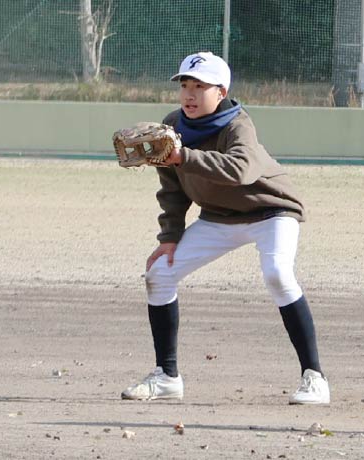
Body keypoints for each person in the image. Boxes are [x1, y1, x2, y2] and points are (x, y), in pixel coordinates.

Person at [120, 51, 330, 405]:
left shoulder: (237, 124)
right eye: (185, 85)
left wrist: (183, 156)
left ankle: (315, 378)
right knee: (159, 274)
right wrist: (169, 236)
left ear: (221, 92)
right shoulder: (172, 126)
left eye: (200, 87)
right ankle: (167, 377)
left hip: (271, 212)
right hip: (218, 217)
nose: (189, 94)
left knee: (278, 274)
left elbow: (240, 170)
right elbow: (172, 188)